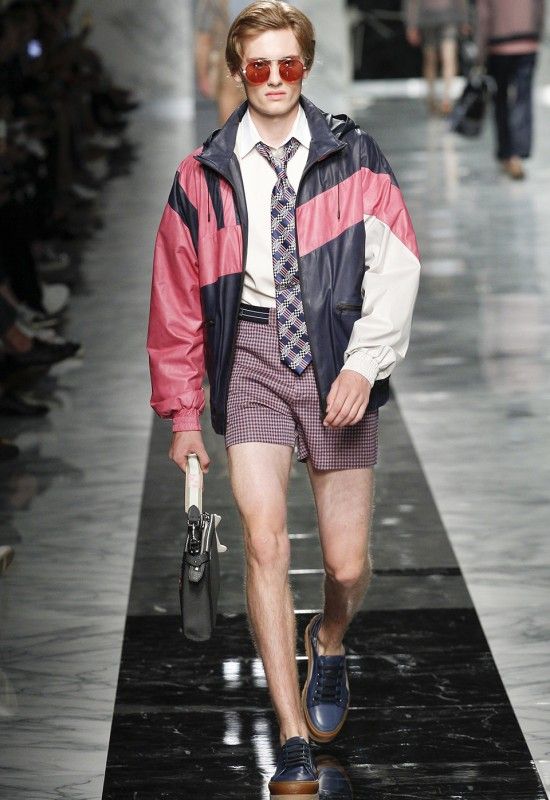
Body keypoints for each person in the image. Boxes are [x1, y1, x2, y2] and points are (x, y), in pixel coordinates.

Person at [147, 1, 420, 794]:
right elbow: (175, 304)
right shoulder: (200, 177)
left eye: (287, 63)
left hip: (337, 360)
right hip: (252, 361)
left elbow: (397, 266)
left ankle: (328, 640)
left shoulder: (354, 155)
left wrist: (363, 366)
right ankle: (292, 734)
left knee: (346, 562)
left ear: (306, 66)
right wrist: (184, 413)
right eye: (258, 65)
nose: (273, 78)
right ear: (239, 71)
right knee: (265, 544)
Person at [476, 0, 545, 180]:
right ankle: (518, 153)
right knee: (523, 97)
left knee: (500, 100)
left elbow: (484, 15)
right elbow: (539, 7)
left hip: (499, 44)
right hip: (527, 40)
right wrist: (538, 31)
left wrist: (480, 52)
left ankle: (507, 152)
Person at [405, 0, 470, 115]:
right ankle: (439, 98)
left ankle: (441, 98)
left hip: (438, 17)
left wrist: (411, 24)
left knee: (438, 60)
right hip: (434, 18)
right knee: (438, 60)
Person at [195, 0, 250, 123]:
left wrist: (203, 75)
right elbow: (204, 38)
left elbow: (204, 39)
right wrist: (203, 75)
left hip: (231, 64)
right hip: (231, 65)